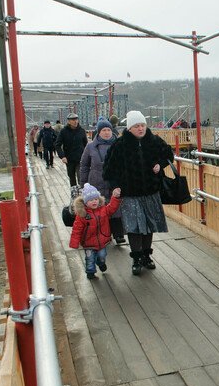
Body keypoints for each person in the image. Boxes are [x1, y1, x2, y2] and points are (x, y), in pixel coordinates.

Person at [103, 110, 174, 276]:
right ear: (129, 128)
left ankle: (147, 256)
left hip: (150, 191)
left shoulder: (154, 140)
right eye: (136, 126)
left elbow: (169, 154)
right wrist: (115, 186)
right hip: (130, 192)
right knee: (134, 226)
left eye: (142, 125)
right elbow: (109, 170)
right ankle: (136, 258)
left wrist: (160, 164)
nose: (141, 128)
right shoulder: (119, 145)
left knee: (149, 225)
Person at [80, 118, 125, 244]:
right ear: (98, 132)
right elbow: (84, 166)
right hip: (96, 181)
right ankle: (103, 234)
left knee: (116, 207)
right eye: (104, 130)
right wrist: (83, 184)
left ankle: (118, 234)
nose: (107, 132)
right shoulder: (90, 147)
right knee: (99, 208)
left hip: (114, 181)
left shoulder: (119, 145)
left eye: (109, 130)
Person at [69, 183, 121, 279]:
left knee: (102, 256)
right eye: (91, 200)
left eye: (96, 199)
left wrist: (115, 198)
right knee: (90, 258)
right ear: (85, 202)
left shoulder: (103, 210)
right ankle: (90, 272)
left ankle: (100, 263)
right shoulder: (82, 215)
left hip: (102, 240)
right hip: (88, 242)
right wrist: (74, 242)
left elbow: (112, 208)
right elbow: (77, 229)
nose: (94, 202)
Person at [55, 113, 88, 187]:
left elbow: (86, 145)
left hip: (80, 158)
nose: (75, 121)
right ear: (69, 121)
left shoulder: (81, 131)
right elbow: (57, 145)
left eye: (76, 119)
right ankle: (74, 195)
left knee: (81, 177)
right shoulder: (63, 132)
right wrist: (62, 156)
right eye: (73, 120)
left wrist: (87, 156)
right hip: (69, 159)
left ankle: (82, 195)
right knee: (72, 177)